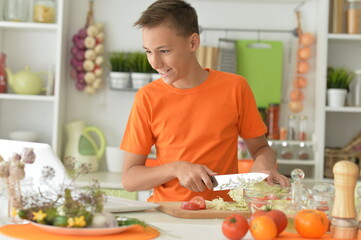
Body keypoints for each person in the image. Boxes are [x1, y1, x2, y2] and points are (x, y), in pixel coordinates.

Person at [120, 0, 290, 202]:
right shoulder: (147, 98)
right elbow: (129, 179)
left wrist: (264, 165)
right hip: (169, 212)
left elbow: (262, 149)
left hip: (223, 213)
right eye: (148, 51)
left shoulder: (235, 88)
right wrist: (176, 168)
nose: (155, 63)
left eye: (164, 51)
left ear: (193, 43)